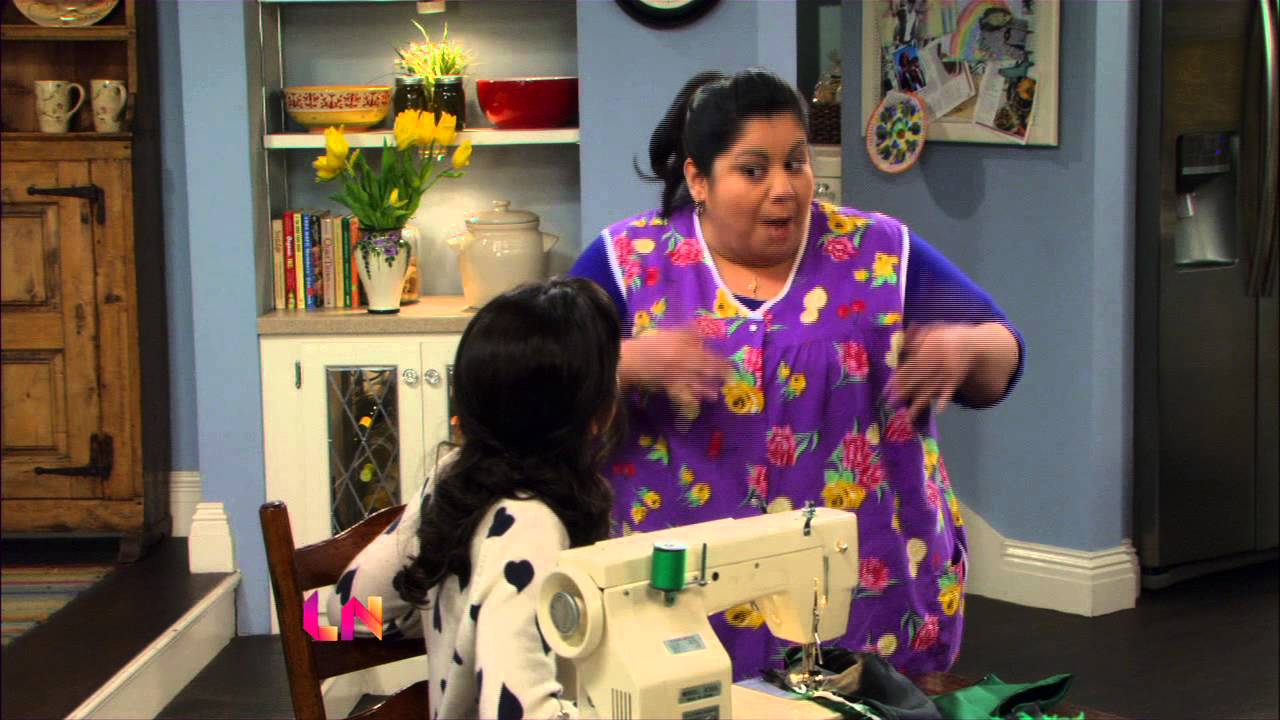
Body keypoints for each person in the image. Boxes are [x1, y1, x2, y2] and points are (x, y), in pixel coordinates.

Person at [567, 68, 1024, 681]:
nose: (784, 188)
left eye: (796, 162)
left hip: (872, 594)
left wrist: (967, 346)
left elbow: (1003, 355)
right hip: (679, 603)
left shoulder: (879, 249)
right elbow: (532, 377)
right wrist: (623, 363)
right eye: (754, 170)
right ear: (699, 178)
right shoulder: (627, 262)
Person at [326, 278, 622, 719]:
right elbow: (519, 711)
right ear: (593, 414)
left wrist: (450, 617)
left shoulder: (454, 477)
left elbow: (338, 612)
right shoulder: (531, 527)